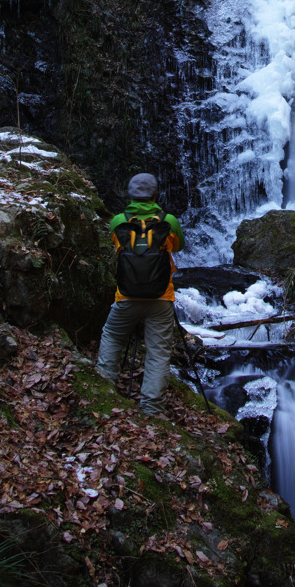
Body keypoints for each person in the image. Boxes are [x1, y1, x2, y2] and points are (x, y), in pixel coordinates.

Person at [96, 173, 184, 417]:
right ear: (156, 194)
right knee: (158, 352)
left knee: (113, 335)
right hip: (161, 298)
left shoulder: (117, 222)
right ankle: (151, 408)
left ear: (130, 195)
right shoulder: (169, 221)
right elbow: (178, 246)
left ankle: (104, 388)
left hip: (126, 296)